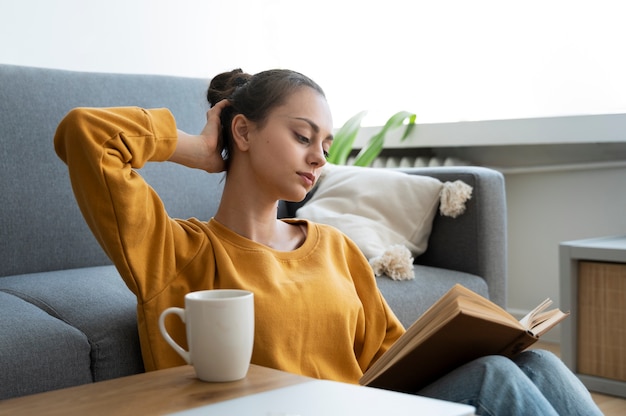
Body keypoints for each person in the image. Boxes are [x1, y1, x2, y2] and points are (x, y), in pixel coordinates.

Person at [54, 68, 602, 415]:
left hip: (370, 406)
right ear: (242, 133)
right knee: (495, 382)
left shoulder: (334, 247)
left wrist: (473, 342)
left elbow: (390, 358)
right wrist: (197, 146)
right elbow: (87, 135)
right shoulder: (175, 254)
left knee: (538, 366)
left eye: (325, 143)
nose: (319, 157)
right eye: (301, 137)